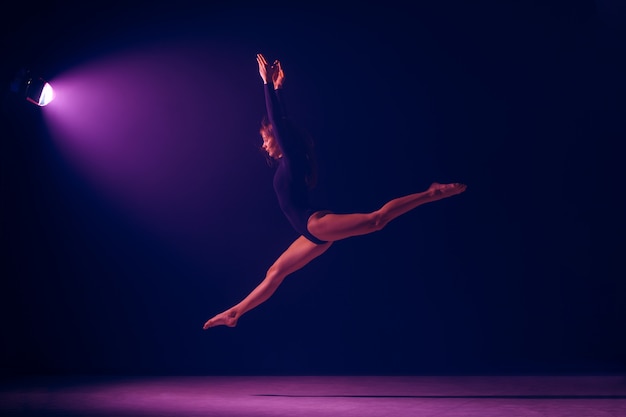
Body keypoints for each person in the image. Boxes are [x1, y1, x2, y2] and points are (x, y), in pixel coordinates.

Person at [203, 53, 466, 329]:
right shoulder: (290, 159)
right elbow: (282, 122)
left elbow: (279, 123)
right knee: (275, 272)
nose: (264, 146)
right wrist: (279, 88)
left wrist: (267, 85)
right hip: (310, 233)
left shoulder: (292, 159)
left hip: (314, 224)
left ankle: (430, 193)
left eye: (266, 140)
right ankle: (235, 313)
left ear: (278, 140)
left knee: (376, 220)